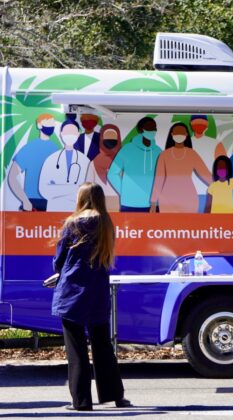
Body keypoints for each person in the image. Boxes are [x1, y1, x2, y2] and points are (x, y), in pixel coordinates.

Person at [51, 182, 131, 411]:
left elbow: (59, 260)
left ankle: (82, 401)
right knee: (103, 346)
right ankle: (116, 396)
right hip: (97, 292)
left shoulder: (72, 222)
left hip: (72, 293)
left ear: (81, 198)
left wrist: (59, 270)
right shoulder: (106, 222)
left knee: (76, 349)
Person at [150, 122, 211, 213]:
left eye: (182, 133)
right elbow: (158, 180)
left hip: (189, 199)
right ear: (172, 135)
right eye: (177, 133)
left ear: (186, 135)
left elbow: (205, 173)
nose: (179, 135)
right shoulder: (164, 155)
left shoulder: (192, 154)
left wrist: (221, 187)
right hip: (167, 200)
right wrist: (153, 203)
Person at [107, 117, 162, 212]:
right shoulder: (127, 149)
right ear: (141, 130)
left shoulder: (158, 151)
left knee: (153, 227)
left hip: (152, 205)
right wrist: (125, 192)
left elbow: (161, 177)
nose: (153, 131)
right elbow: (112, 174)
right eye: (150, 128)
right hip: (129, 204)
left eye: (154, 128)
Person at [7, 113, 60, 211]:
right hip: (32, 202)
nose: (50, 127)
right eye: (47, 123)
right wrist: (25, 200)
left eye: (52, 124)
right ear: (39, 125)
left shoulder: (56, 149)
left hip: (51, 201)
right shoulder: (29, 148)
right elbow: (12, 177)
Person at [39, 119, 90, 211]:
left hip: (77, 210)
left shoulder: (85, 161)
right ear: (61, 134)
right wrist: (74, 189)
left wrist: (56, 188)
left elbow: (88, 191)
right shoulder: (51, 159)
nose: (69, 135)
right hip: (55, 209)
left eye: (73, 132)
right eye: (67, 132)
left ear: (78, 135)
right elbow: (43, 189)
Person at [190, 115, 226, 212]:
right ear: (191, 124)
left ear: (207, 125)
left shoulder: (215, 144)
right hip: (188, 192)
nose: (199, 126)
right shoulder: (185, 144)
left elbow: (224, 170)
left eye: (202, 123)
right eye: (196, 123)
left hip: (211, 192)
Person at [85, 124, 122, 212]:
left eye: (113, 139)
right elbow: (88, 187)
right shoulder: (94, 163)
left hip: (120, 202)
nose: (110, 141)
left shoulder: (123, 162)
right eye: (107, 139)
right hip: (99, 203)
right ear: (101, 140)